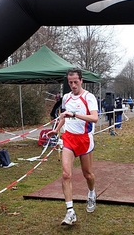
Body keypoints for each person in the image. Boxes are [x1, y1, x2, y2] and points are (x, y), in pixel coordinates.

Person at [46, 68, 98, 226]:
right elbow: (64, 116)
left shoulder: (89, 98)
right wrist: (56, 129)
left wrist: (75, 115)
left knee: (87, 174)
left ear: (81, 81)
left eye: (76, 82)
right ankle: (70, 211)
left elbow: (94, 118)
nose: (73, 85)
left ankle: (91, 193)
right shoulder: (66, 98)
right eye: (70, 82)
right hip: (68, 138)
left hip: (84, 139)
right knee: (66, 174)